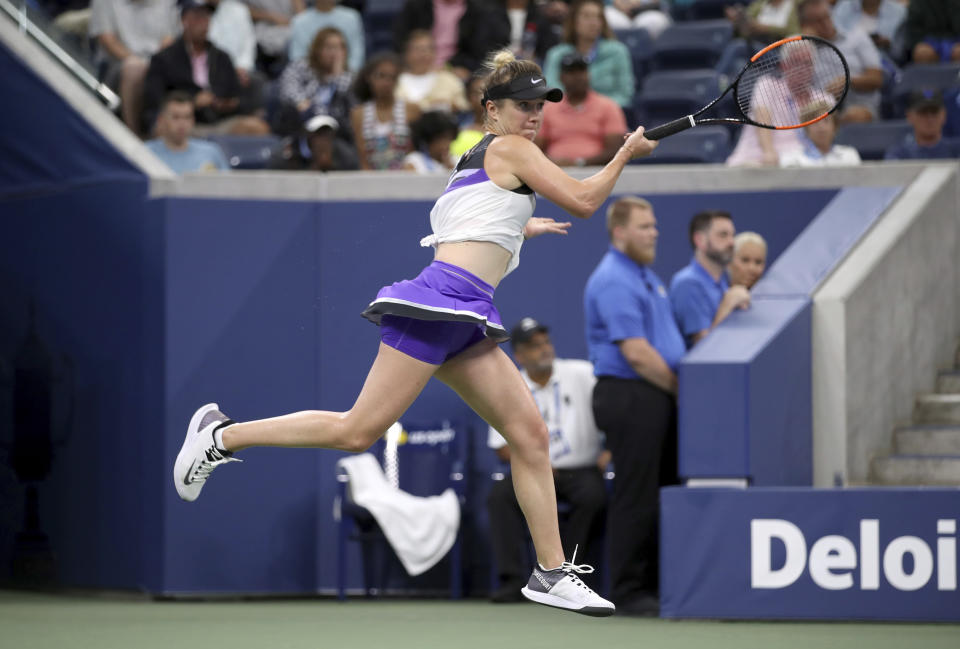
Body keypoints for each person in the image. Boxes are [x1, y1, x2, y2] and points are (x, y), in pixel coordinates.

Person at [173, 48, 658, 617]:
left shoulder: (474, 159)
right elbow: (583, 199)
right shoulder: (511, 147)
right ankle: (220, 436)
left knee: (530, 437)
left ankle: (550, 572)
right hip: (441, 306)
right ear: (492, 109)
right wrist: (626, 151)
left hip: (467, 313)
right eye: (522, 104)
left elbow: (463, 222)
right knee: (358, 431)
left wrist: (521, 226)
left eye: (540, 104)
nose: (534, 114)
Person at [583, 196, 684, 616]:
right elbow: (637, 353)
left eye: (655, 225)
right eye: (644, 226)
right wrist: (682, 390)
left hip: (652, 394)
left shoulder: (646, 276)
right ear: (620, 232)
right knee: (636, 494)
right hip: (630, 393)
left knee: (658, 492)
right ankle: (628, 590)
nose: (654, 232)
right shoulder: (613, 279)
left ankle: (655, 584)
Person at [487, 318, 609, 603]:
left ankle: (571, 577)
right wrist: (536, 462)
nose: (543, 350)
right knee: (499, 498)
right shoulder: (509, 385)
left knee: (593, 497)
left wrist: (610, 451)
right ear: (519, 355)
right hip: (532, 472)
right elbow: (500, 447)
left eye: (546, 343)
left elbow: (615, 411)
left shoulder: (582, 374)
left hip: (580, 470)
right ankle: (512, 581)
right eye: (533, 346)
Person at [142, 0, 271, 136]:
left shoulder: (222, 57)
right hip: (184, 124)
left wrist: (227, 104)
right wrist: (192, 102)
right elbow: (155, 102)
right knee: (162, 128)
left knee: (258, 127)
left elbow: (238, 97)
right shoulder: (164, 59)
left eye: (207, 17)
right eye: (198, 17)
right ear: (184, 20)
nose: (204, 22)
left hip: (220, 123)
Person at [88, 0, 179, 135]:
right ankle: (133, 134)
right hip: (115, 66)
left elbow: (170, 39)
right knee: (134, 68)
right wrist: (140, 63)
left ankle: (161, 132)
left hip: (157, 62)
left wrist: (153, 64)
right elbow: (107, 40)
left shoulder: (168, 2)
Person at [670, 210, 750, 349]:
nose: (732, 242)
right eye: (723, 235)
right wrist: (728, 304)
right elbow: (703, 350)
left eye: (732, 235)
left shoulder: (721, 282)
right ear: (699, 240)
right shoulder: (688, 284)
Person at [797, 0, 883, 124]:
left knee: (854, 116)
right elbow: (796, 88)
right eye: (817, 21)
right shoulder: (802, 51)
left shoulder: (857, 37)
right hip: (820, 109)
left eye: (827, 17)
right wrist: (807, 44)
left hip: (860, 105)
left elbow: (877, 79)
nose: (825, 23)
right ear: (805, 25)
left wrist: (848, 81)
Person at [535, 53, 627, 167]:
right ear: (561, 77)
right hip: (553, 172)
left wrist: (580, 163)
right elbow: (535, 149)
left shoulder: (609, 106)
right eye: (572, 72)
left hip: (597, 172)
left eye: (582, 71)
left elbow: (615, 150)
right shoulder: (548, 109)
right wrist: (553, 163)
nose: (578, 76)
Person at [542, 0, 635, 109]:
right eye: (586, 16)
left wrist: (594, 108)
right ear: (574, 21)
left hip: (606, 116)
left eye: (598, 17)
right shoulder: (557, 54)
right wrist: (575, 108)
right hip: (566, 116)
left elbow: (625, 94)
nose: (593, 22)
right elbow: (552, 92)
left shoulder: (618, 51)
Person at [276, 27, 356, 139]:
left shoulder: (350, 77)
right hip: (303, 123)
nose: (334, 53)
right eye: (329, 48)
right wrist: (300, 101)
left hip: (335, 130)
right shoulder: (301, 66)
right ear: (318, 49)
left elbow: (346, 104)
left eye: (339, 48)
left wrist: (337, 74)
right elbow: (287, 88)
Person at [350, 53, 419, 171]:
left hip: (405, 177)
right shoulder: (358, 114)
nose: (386, 83)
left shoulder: (411, 109)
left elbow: (414, 153)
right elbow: (362, 158)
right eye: (381, 76)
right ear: (368, 77)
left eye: (391, 77)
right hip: (371, 180)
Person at [145, 91, 231, 173]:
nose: (182, 123)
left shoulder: (211, 152)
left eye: (187, 117)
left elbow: (229, 186)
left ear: (193, 120)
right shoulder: (146, 153)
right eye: (176, 117)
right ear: (161, 120)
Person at [396, 30, 470, 114]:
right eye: (418, 49)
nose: (423, 54)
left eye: (428, 49)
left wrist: (450, 106)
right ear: (406, 53)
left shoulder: (449, 79)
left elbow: (464, 108)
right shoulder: (395, 81)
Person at [288, 0, 364, 71]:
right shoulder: (299, 21)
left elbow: (356, 52)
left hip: (345, 72)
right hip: (310, 74)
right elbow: (297, 56)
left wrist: (346, 73)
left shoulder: (352, 17)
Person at [884, 89, 960, 160]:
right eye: (923, 112)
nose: (930, 119)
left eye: (934, 112)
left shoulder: (956, 150)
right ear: (910, 116)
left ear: (943, 115)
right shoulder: (900, 154)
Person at [267, 114, 360, 171]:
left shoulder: (342, 152)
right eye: (318, 134)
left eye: (327, 134)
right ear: (307, 133)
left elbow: (353, 171)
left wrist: (332, 168)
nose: (323, 139)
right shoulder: (289, 151)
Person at [831, 0, 907, 62]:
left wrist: (889, 44)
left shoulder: (899, 12)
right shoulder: (845, 5)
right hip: (846, 57)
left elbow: (900, 53)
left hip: (882, 61)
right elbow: (834, 34)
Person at [778, 111, 862, 167]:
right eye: (814, 122)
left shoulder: (850, 155)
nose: (821, 127)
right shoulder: (791, 159)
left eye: (826, 121)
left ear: (835, 127)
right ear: (806, 130)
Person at [724, 0, 800, 46]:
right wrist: (737, 18)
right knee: (723, 29)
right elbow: (747, 18)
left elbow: (793, 31)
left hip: (774, 46)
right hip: (753, 40)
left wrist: (766, 29)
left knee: (738, 46)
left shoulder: (794, 4)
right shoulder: (761, 3)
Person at [450, 72, 488, 158]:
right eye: (477, 93)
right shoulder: (459, 134)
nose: (483, 97)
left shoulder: (512, 131)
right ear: (468, 98)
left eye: (487, 92)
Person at [603, 0, 672, 39]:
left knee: (656, 19)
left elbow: (659, 3)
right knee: (607, 14)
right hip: (619, 14)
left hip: (643, 14)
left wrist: (638, 6)